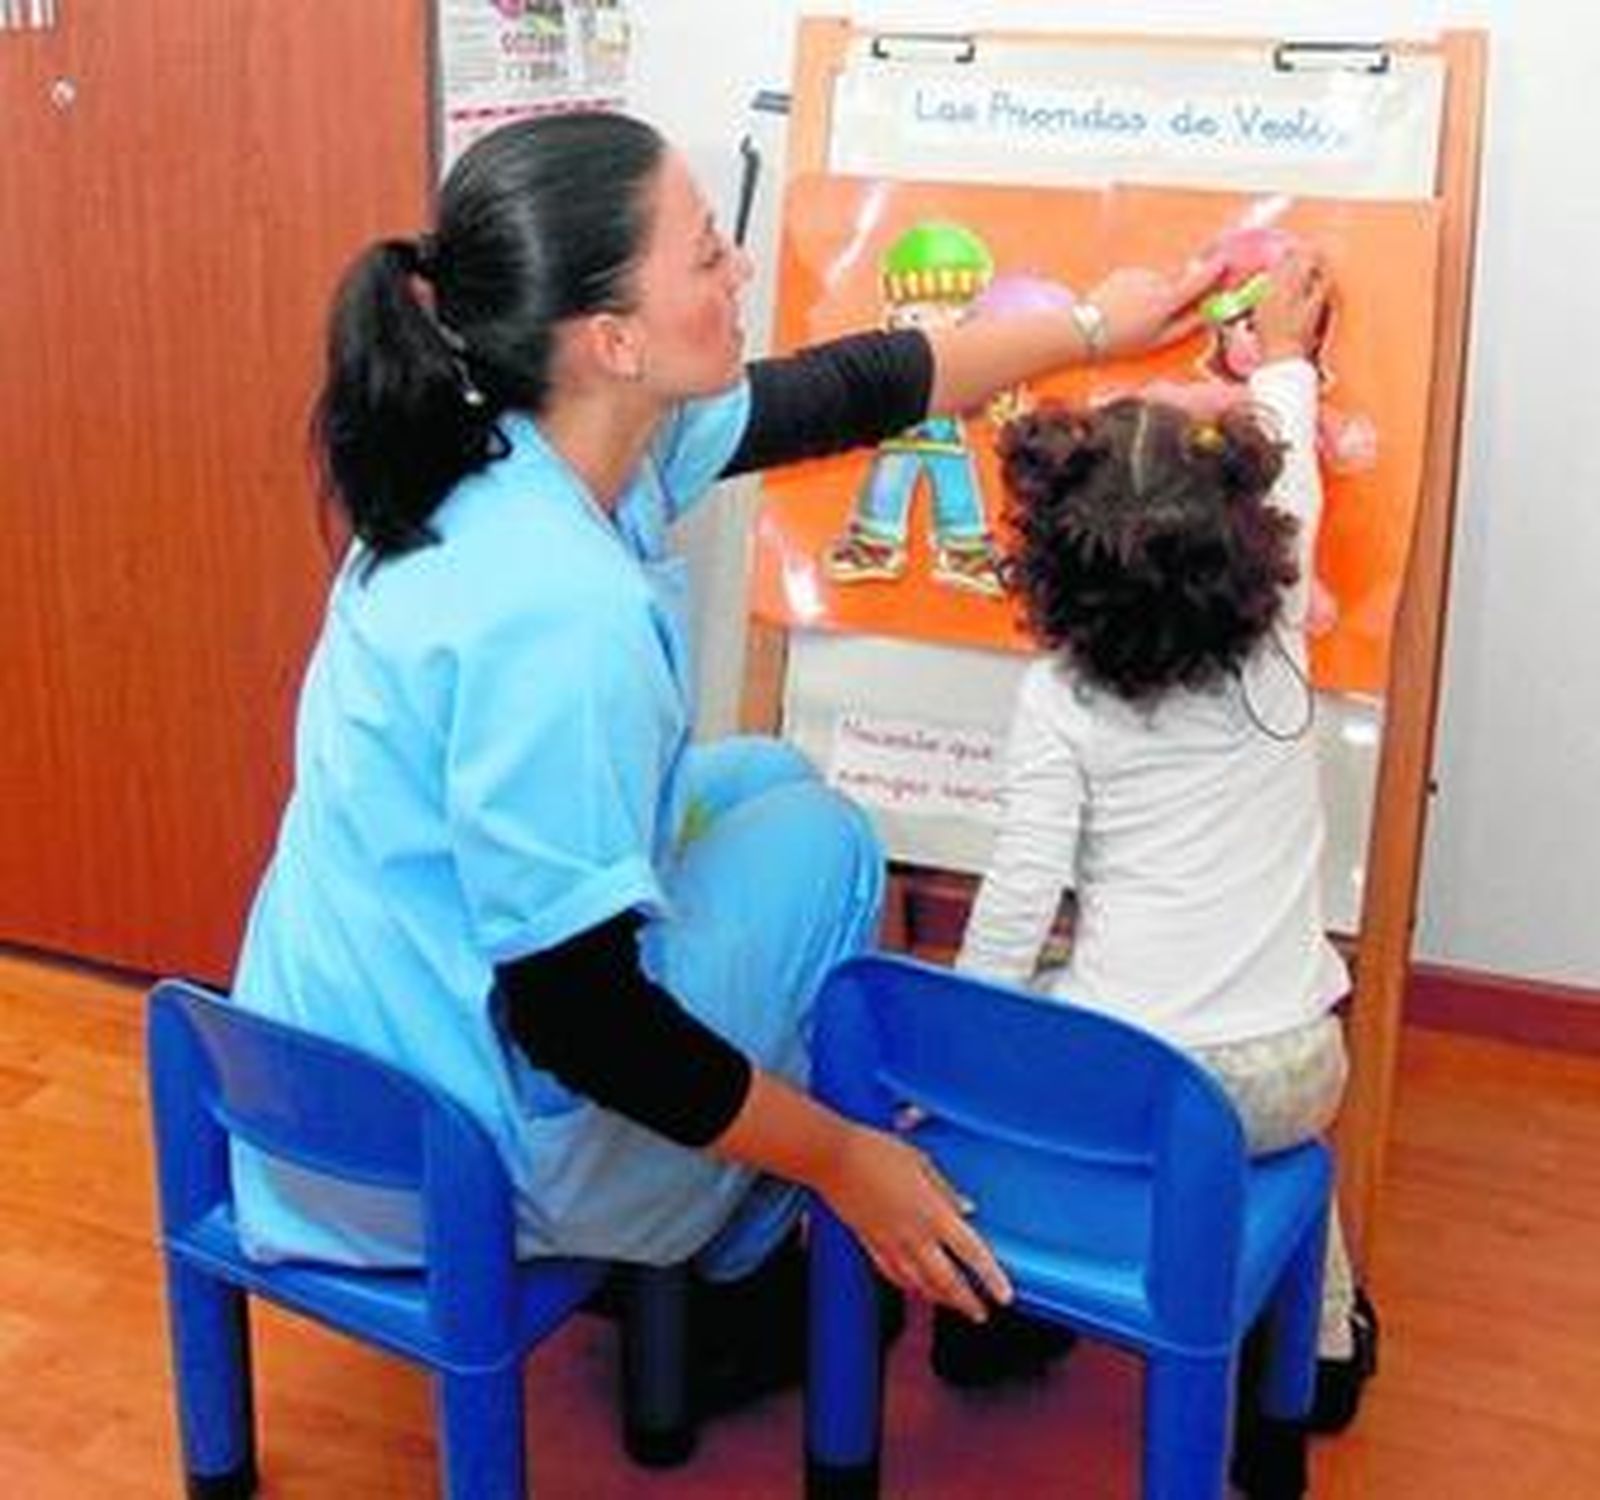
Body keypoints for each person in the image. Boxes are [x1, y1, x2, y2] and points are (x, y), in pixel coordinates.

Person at [226, 110, 1217, 1411]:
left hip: (334, 1057)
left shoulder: (516, 443)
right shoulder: (560, 612)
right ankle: (734, 1275)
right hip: (437, 1156)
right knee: (830, 842)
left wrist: (1093, 327)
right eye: (705, 254)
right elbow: (585, 1024)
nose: (740, 267)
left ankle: (715, 1223)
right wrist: (845, 1160)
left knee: (763, 783)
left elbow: (851, 387)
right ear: (613, 340)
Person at [954, 250, 1377, 1432]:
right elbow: (1293, 466)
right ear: (1245, 543)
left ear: (1055, 564)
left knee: (1037, 1018)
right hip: (1294, 1072)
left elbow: (1018, 898)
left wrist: (964, 1053)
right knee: (1277, 1147)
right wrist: (1283, 353)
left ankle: (1000, 1315)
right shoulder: (1276, 630)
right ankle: (1322, 1351)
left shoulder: (1057, 696)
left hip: (1129, 1083)